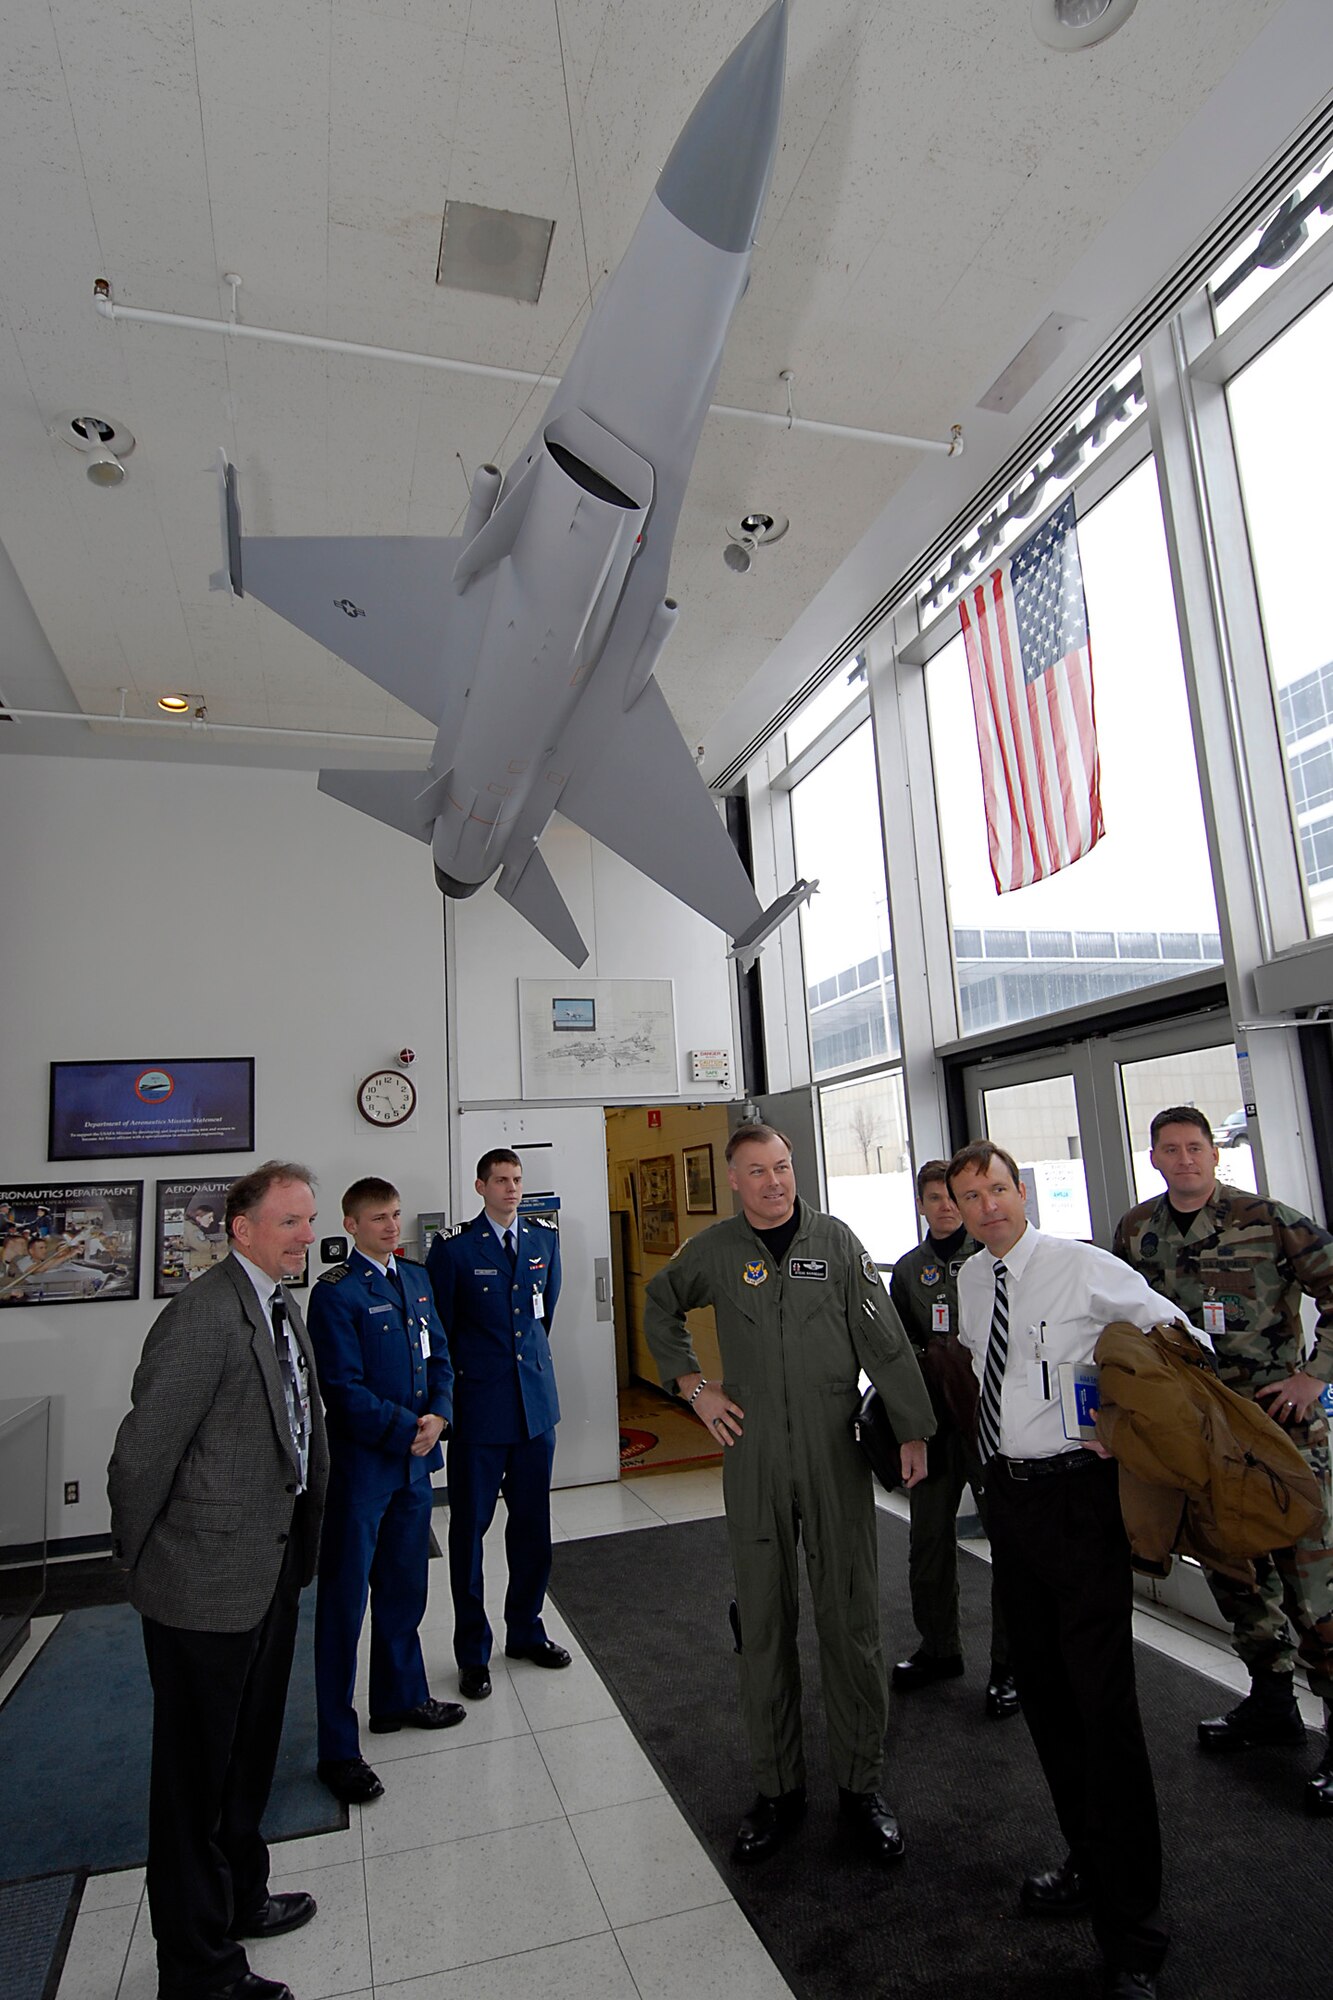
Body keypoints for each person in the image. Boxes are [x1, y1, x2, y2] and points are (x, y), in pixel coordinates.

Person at [948, 1139, 1201, 2000]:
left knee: (1104, 1711)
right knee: (1048, 1701)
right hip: (1009, 1508)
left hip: (1077, 1504)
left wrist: (1124, 1422)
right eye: (968, 1195)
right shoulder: (972, 1281)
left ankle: (1134, 1932)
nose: (986, 1206)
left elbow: (1180, 1339)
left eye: (997, 1189)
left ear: (1021, 1191)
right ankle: (1086, 1864)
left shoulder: (1081, 1268)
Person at [644, 1122, 934, 1867]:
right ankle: (777, 1790)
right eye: (756, 1171)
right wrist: (693, 1387)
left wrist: (911, 1427)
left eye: (781, 1167)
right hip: (753, 1456)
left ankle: (859, 1787)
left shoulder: (836, 1244)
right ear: (734, 1181)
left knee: (852, 1621)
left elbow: (886, 1342)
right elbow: (659, 1303)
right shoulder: (714, 1252)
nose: (773, 1182)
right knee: (765, 1625)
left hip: (835, 1452)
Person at [108, 1162, 328, 2000]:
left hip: (267, 1570)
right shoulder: (201, 1319)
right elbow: (142, 1456)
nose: (306, 1236)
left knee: (248, 1756)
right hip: (201, 1584)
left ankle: (241, 1898)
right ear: (241, 1229)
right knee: (193, 1783)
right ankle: (197, 1968)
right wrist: (141, 1555)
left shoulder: (279, 1307)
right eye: (290, 1223)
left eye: (308, 1220)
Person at [1113, 1104, 1333, 1814]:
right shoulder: (1136, 1231)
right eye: (1168, 1150)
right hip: (1198, 1435)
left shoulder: (1268, 1219)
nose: (1183, 1160)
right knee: (1233, 1574)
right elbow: (1115, 1318)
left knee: (1312, 1586)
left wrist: (1314, 1375)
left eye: (1193, 1148)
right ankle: (1269, 1703)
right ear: (1153, 1158)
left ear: (1213, 1154)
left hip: (1274, 1429)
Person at [306, 1177, 463, 1807]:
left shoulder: (417, 1279)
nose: (392, 1227)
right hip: (365, 1471)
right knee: (344, 1609)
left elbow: (441, 1359)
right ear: (351, 1225)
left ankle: (399, 1699)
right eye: (378, 1219)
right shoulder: (336, 1294)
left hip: (414, 1468)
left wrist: (441, 1415)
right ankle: (337, 1748)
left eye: (396, 1216)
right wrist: (409, 1428)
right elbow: (339, 1391)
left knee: (405, 1589)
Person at [426, 1149, 567, 1700]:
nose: (512, 1189)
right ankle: (472, 1652)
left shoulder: (542, 1239)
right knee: (469, 1534)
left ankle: (526, 1632)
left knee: (533, 1528)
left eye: (517, 1180)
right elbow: (442, 1330)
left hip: (534, 1409)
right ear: (481, 1187)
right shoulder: (455, 1250)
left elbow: (543, 1314)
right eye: (502, 1181)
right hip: (480, 1412)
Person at [889, 1160, 1017, 1718]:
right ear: (921, 1205)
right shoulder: (909, 1270)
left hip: (989, 1424)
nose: (945, 1207)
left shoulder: (989, 1260)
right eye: (934, 1198)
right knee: (928, 1542)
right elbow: (894, 1344)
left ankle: (1010, 1665)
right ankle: (939, 1648)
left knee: (1008, 1545)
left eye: (952, 1198)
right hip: (932, 1424)